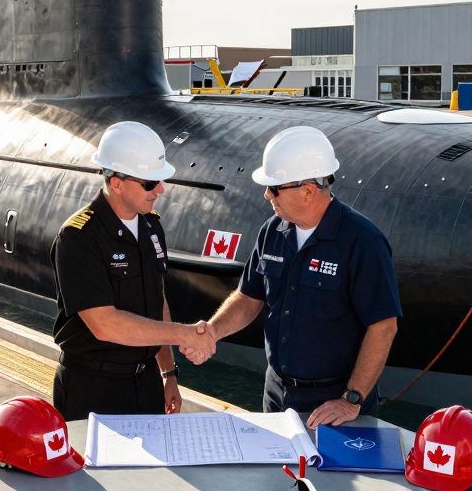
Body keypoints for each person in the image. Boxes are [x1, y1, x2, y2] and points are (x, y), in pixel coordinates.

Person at [194, 126, 401, 428]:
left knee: (328, 477)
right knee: (278, 475)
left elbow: (383, 326)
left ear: (308, 189)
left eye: (274, 187)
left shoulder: (362, 241)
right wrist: (212, 332)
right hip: (277, 393)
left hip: (333, 402)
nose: (266, 195)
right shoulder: (272, 231)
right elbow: (249, 297)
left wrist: (351, 399)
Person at [50, 121, 217, 421]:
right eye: (150, 183)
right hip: (92, 389)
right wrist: (185, 334)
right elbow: (106, 325)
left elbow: (158, 301)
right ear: (116, 183)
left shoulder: (151, 226)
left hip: (145, 384)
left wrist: (169, 373)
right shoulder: (78, 237)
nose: (161, 189)